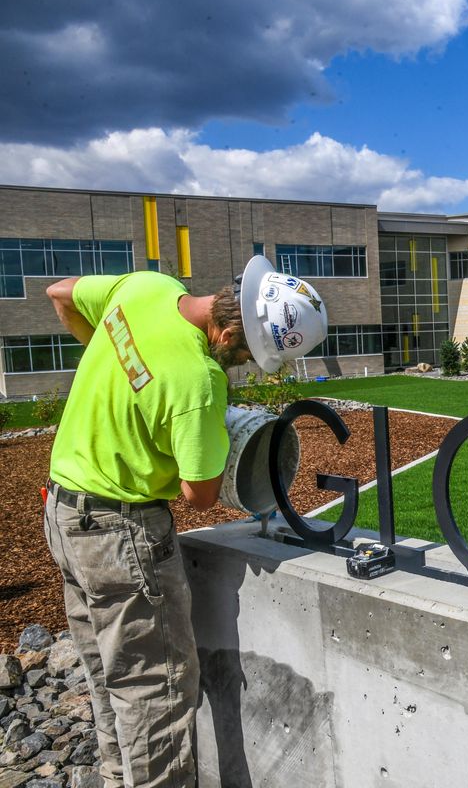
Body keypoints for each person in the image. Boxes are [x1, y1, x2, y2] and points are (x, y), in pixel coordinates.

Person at [42, 255, 327, 788]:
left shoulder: (146, 286)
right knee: (159, 691)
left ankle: (115, 776)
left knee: (109, 672)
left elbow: (61, 292)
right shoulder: (197, 380)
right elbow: (199, 494)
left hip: (62, 513)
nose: (236, 367)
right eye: (241, 357)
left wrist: (123, 380)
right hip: (121, 537)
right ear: (224, 332)